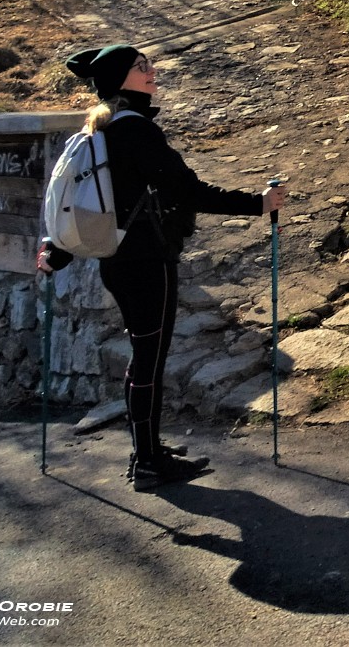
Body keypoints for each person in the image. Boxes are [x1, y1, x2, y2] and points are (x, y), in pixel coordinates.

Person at [38, 43, 285, 491]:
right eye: (140, 66)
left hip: (115, 263)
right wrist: (258, 204)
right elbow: (187, 191)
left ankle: (147, 451)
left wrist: (58, 252)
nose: (152, 71)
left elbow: (93, 208)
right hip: (149, 263)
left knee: (143, 358)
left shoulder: (98, 132)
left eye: (148, 63)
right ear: (120, 81)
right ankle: (148, 461)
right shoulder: (137, 133)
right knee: (148, 361)